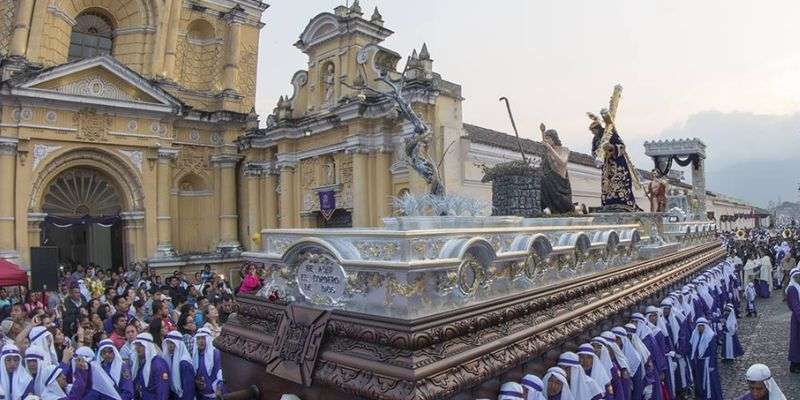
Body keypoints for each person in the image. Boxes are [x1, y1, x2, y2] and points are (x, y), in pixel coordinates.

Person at [689, 318, 722, 400]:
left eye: (702, 326)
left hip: (707, 363)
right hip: (699, 363)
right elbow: (693, 349)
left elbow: (713, 352)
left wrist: (711, 365)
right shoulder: (695, 335)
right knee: (699, 380)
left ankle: (711, 396)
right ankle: (701, 395)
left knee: (710, 381)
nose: (700, 328)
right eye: (699, 326)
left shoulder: (710, 336)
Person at [131, 333, 170, 400]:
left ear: (148, 347)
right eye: (136, 345)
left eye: (141, 345)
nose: (137, 348)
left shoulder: (158, 364)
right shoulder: (144, 363)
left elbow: (162, 392)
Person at [162, 332, 195, 400]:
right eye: (168, 343)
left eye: (172, 343)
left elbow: (189, 389)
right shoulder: (169, 359)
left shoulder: (184, 363)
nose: (170, 346)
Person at [193, 327, 223, 400]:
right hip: (201, 395)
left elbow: (220, 374)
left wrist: (219, 389)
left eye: (203, 338)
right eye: (198, 339)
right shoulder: (195, 355)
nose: (201, 341)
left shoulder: (215, 354)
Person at [786, 270, 800, 373]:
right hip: (797, 318)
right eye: (797, 276)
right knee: (796, 340)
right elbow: (795, 306)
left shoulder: (797, 287)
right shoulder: (792, 288)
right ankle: (794, 364)